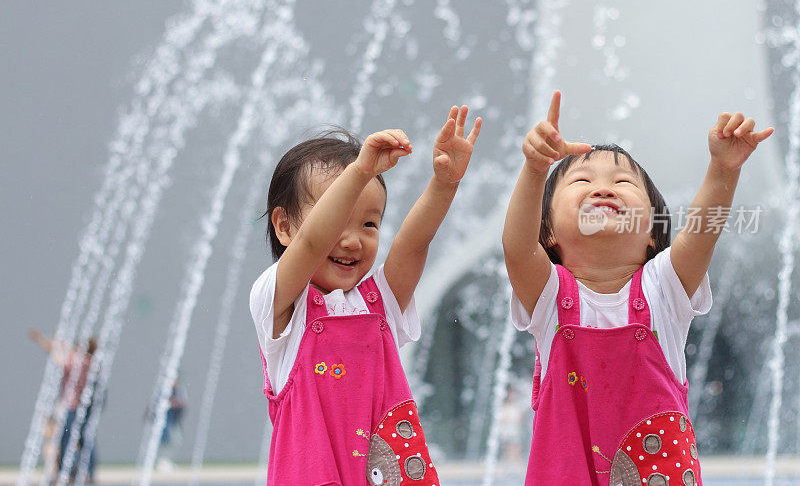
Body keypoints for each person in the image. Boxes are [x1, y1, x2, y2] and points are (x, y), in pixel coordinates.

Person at [502, 91, 773, 484]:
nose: (603, 189)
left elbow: (701, 232)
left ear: (652, 234)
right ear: (547, 232)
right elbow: (515, 247)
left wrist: (723, 170)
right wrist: (533, 169)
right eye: (581, 180)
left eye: (623, 182)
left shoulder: (663, 288)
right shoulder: (548, 296)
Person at [250, 107, 481, 485]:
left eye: (369, 223)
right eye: (337, 220)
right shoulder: (281, 307)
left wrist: (444, 184)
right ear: (284, 226)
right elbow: (310, 244)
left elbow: (414, 242)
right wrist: (359, 172)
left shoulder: (380, 303)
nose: (353, 240)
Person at [28, 329, 99, 483]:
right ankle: (89, 473)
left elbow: (58, 356)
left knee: (66, 438)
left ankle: (65, 472)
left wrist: (41, 339)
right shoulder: (91, 362)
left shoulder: (78, 360)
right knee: (85, 439)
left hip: (73, 406)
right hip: (86, 406)